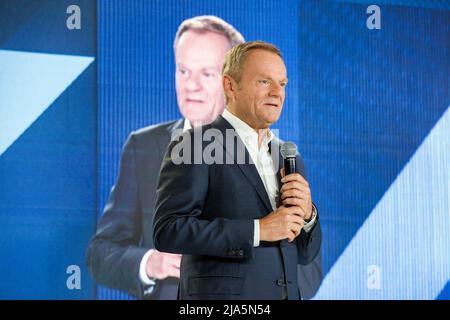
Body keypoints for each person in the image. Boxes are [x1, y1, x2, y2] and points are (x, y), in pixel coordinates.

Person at [86, 15, 245, 299]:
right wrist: (151, 263)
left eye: (206, 74)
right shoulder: (143, 147)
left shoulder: (271, 158)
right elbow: (100, 255)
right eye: (183, 71)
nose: (190, 85)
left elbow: (304, 271)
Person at [153, 41, 322, 300]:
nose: (278, 93)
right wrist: (258, 230)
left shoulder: (288, 156)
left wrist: (308, 215)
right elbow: (168, 230)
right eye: (265, 82)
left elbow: (304, 254)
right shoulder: (193, 144)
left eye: (283, 83)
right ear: (230, 86)